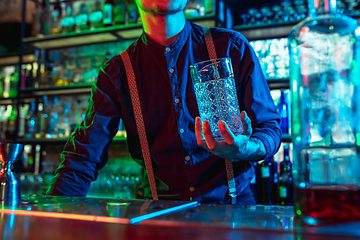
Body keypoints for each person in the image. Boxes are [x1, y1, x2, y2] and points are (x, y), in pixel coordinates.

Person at [46, 0, 282, 204]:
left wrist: (245, 149)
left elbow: (270, 129)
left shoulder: (231, 47)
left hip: (234, 211)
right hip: (159, 214)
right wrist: (48, 217)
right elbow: (82, 158)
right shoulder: (116, 73)